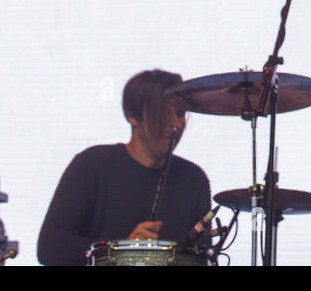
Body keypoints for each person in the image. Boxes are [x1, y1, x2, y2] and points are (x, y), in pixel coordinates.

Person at [37, 69, 212, 265]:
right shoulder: (92, 165)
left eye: (180, 114)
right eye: (162, 114)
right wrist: (122, 251)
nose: (175, 124)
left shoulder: (193, 180)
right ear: (132, 115)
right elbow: (49, 248)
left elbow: (202, 257)